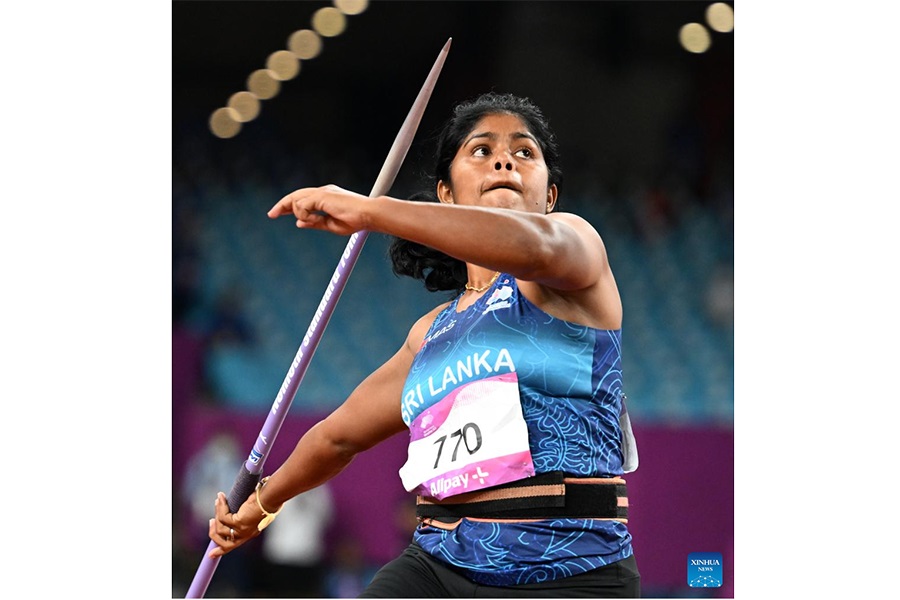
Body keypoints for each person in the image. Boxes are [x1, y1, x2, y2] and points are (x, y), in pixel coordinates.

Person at [207, 92, 641, 597]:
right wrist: (259, 507)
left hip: (571, 571)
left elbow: (535, 244)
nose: (504, 159)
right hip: (439, 568)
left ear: (549, 197)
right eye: (481, 150)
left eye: (525, 152)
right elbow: (337, 438)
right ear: (446, 194)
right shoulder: (430, 334)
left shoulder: (573, 253)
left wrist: (373, 213)